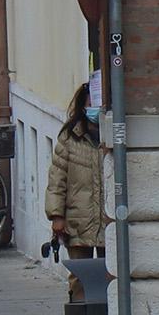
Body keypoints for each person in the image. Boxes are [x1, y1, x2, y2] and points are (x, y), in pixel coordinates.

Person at [44, 81, 108, 288]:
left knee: (111, 276)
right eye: (93, 103)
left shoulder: (114, 136)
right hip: (78, 221)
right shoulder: (70, 138)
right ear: (83, 105)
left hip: (109, 220)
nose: (96, 108)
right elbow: (57, 179)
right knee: (79, 278)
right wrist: (57, 217)